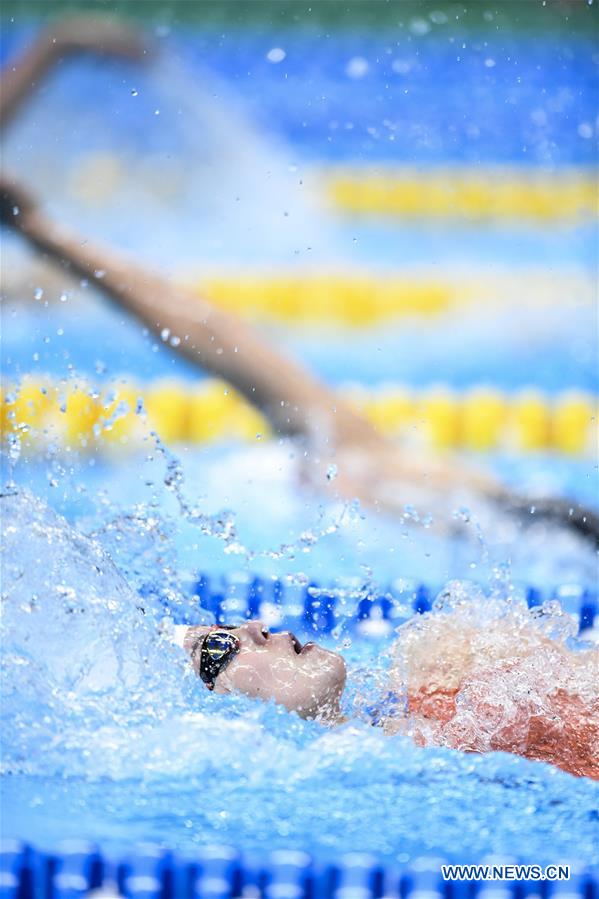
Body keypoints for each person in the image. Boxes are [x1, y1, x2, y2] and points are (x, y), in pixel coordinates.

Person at [171, 614, 599, 781]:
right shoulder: (400, 770)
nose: (253, 627)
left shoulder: (430, 689)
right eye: (217, 651)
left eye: (228, 626)